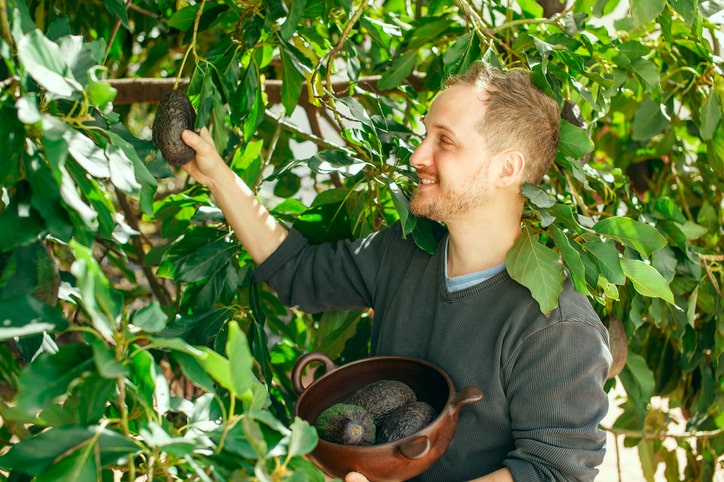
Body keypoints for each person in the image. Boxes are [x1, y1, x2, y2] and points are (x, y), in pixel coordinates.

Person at [180, 61, 612, 482]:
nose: (417, 154)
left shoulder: (555, 327)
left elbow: (555, 471)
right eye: (426, 135)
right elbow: (298, 272)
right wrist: (216, 176)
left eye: (445, 141)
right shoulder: (406, 250)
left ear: (507, 169)